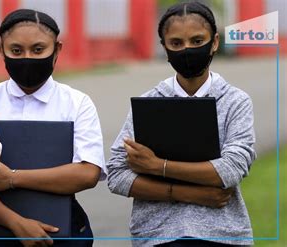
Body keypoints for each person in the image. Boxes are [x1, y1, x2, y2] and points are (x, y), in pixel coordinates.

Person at [107, 2, 256, 247]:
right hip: (157, 236)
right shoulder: (148, 103)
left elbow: (230, 170)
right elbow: (116, 174)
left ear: (214, 42)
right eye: (176, 43)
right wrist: (188, 193)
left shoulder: (235, 101)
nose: (187, 50)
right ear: (164, 48)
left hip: (222, 236)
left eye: (197, 41)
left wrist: (156, 166)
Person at [0, 8, 106, 247]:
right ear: (1, 51)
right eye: (16, 50)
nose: (27, 57)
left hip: (63, 233)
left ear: (57, 50)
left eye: (38, 49)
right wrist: (16, 223)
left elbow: (87, 173)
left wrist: (12, 178)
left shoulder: (77, 103)